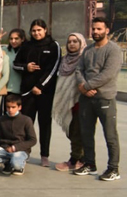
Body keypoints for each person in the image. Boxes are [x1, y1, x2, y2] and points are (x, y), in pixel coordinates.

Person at [73, 17, 121, 181]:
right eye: (93, 29)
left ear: (107, 30)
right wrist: (82, 86)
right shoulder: (87, 50)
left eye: (99, 29)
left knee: (110, 135)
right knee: (86, 133)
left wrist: (86, 86)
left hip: (105, 99)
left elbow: (108, 74)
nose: (95, 32)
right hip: (86, 99)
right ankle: (89, 163)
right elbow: (79, 69)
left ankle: (113, 168)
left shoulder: (113, 50)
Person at [13, 19, 60, 167]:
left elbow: (53, 69)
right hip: (28, 93)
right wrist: (26, 67)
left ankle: (44, 155)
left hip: (45, 93)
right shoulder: (26, 45)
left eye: (39, 30)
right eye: (34, 31)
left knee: (45, 124)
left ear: (45, 30)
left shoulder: (53, 46)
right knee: (26, 123)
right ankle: (24, 151)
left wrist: (40, 86)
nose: (36, 33)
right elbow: (15, 64)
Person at [51, 33, 87, 172]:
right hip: (67, 104)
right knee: (72, 132)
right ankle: (80, 158)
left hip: (80, 102)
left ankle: (76, 159)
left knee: (79, 132)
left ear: (81, 43)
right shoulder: (64, 60)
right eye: (69, 41)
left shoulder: (84, 59)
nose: (71, 44)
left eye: (75, 41)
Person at [0, 94, 37, 176]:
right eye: (8, 107)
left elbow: (33, 140)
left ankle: (18, 164)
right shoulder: (1, 120)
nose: (10, 110)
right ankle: (8, 162)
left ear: (19, 107)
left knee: (16, 165)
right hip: (5, 149)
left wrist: (15, 147)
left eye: (13, 107)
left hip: (20, 150)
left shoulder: (26, 120)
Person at [3, 29, 26, 109]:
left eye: (16, 39)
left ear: (22, 39)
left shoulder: (27, 51)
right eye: (11, 39)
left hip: (22, 90)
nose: (13, 41)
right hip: (7, 89)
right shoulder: (4, 51)